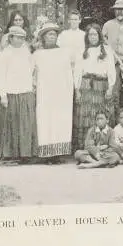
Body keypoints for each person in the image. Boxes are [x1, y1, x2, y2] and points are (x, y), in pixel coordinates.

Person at [32, 22, 75, 163]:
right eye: (49, 34)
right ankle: (47, 155)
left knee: (60, 121)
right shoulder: (37, 54)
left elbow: (71, 71)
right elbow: (33, 74)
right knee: (45, 121)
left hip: (61, 93)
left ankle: (58, 154)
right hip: (44, 94)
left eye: (55, 34)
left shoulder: (65, 52)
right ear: (43, 37)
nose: (53, 37)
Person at [0, 26, 37, 164]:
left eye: (22, 38)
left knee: (26, 123)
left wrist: (31, 87)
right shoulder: (4, 54)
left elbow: (31, 70)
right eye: (17, 37)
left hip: (25, 92)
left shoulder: (27, 53)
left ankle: (25, 153)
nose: (20, 40)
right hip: (11, 93)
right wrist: (3, 95)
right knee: (11, 124)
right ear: (10, 38)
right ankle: (10, 154)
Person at [74, 24, 117, 150]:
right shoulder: (82, 50)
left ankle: (103, 145)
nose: (93, 37)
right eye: (90, 34)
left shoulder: (107, 50)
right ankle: (86, 146)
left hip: (101, 85)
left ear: (99, 35)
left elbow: (111, 70)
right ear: (87, 36)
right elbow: (77, 71)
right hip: (86, 85)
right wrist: (77, 90)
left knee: (100, 113)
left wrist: (110, 87)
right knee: (86, 115)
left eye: (95, 34)